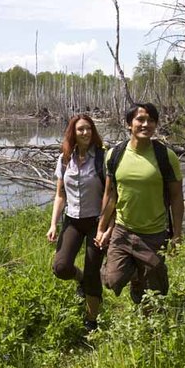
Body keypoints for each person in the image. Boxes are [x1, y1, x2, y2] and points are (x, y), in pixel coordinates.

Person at [95, 102, 184, 307]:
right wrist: (102, 228)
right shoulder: (114, 155)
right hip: (122, 230)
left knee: (155, 292)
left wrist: (177, 234)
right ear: (129, 124)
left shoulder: (166, 157)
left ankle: (147, 314)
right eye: (140, 119)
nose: (146, 124)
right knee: (112, 280)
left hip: (154, 233)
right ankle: (135, 274)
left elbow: (176, 197)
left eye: (151, 120)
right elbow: (110, 194)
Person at [46, 114, 112, 332]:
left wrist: (106, 227)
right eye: (80, 129)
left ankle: (91, 320)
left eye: (89, 129)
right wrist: (53, 224)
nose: (85, 133)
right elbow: (60, 195)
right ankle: (80, 279)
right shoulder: (65, 159)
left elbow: (112, 194)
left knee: (94, 273)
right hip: (72, 221)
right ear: (72, 133)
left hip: (96, 222)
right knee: (61, 267)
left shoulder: (102, 158)